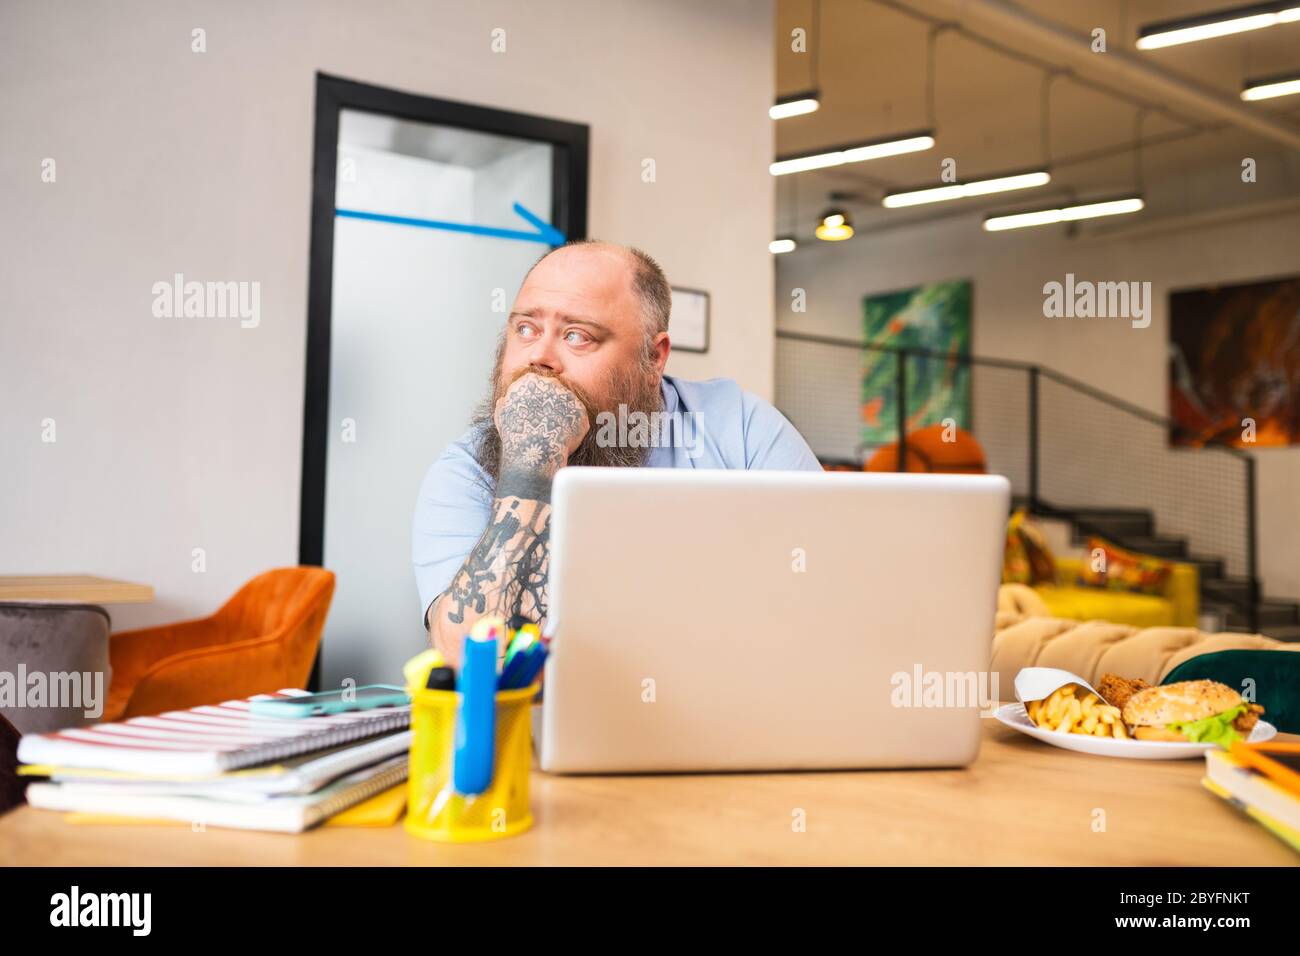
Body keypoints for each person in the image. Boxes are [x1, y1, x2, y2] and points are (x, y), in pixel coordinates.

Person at [413, 239, 820, 666]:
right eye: (526, 329)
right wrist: (531, 462)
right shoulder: (467, 472)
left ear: (653, 357)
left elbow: (830, 596)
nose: (540, 357)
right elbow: (467, 656)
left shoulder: (738, 429)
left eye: (577, 336)